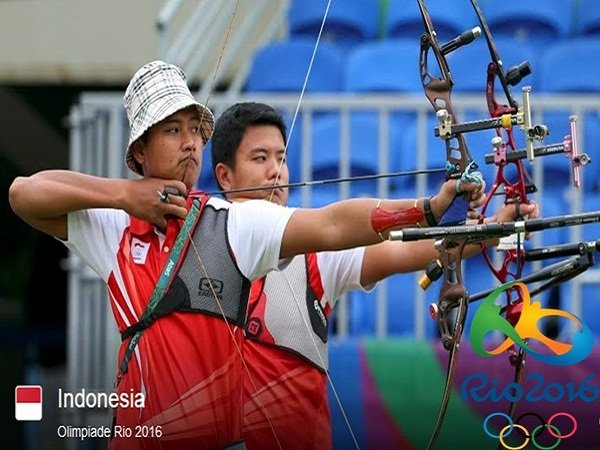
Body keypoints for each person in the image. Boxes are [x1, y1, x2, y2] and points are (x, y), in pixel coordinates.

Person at [7, 61, 488, 450]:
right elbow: (24, 193)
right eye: (173, 130)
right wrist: (125, 196)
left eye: (194, 129)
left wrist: (425, 208)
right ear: (140, 151)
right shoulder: (114, 228)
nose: (190, 141)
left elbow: (332, 223)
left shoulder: (232, 222)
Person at [210, 102, 539, 450]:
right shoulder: (196, 244)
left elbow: (403, 250)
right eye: (260, 159)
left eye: (282, 158)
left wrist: (495, 228)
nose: (275, 172)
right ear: (225, 176)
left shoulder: (316, 254)